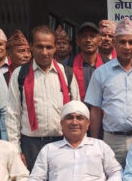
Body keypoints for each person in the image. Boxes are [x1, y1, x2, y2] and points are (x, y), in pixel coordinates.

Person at [85, 17, 132, 166]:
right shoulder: (101, 73)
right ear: (114, 43)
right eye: (122, 42)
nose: (127, 47)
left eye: (131, 42)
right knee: (112, 178)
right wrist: (94, 142)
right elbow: (95, 110)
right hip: (112, 140)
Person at [6, 26, 79, 168]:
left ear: (55, 48)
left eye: (49, 47)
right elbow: (12, 115)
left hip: (62, 143)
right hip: (30, 146)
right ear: (31, 46)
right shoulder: (20, 74)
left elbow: (76, 112)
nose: (44, 52)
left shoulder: (67, 74)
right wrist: (16, 151)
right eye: (39, 47)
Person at [66, 22, 103, 101]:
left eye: (92, 36)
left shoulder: (107, 64)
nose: (88, 40)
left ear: (99, 41)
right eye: (84, 36)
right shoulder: (68, 66)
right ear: (78, 41)